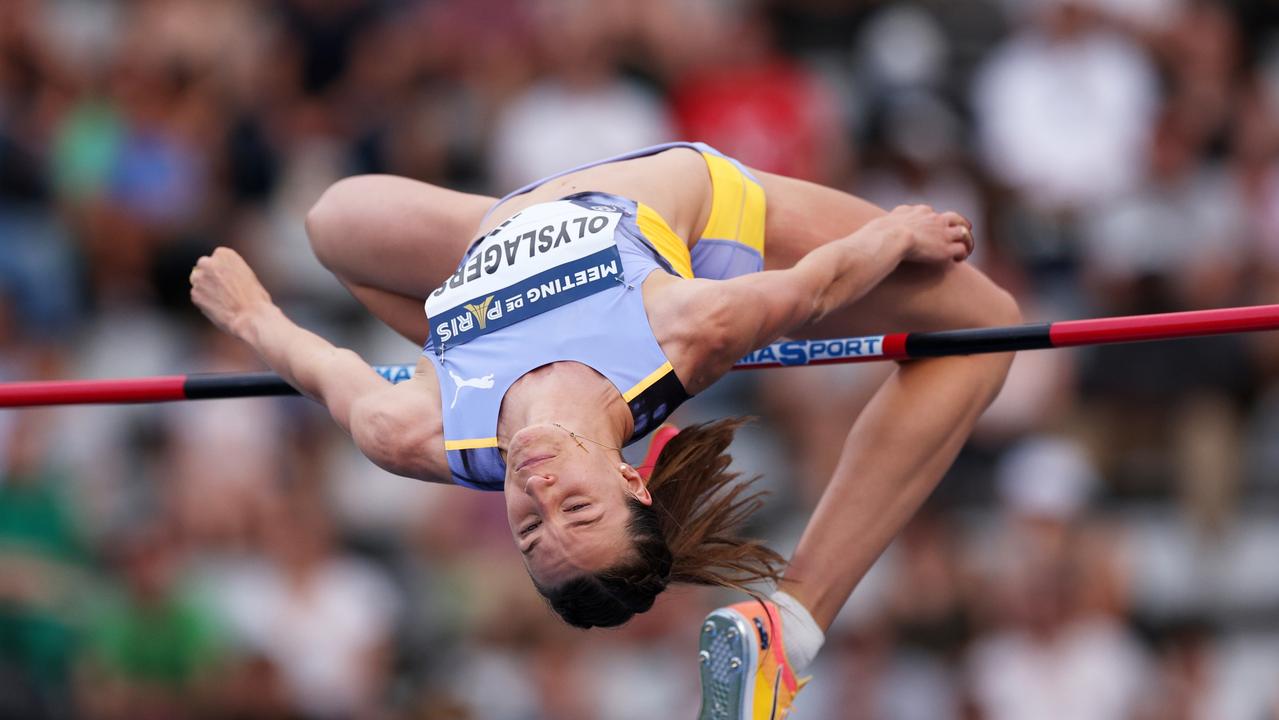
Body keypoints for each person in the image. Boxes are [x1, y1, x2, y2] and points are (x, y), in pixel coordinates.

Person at [189, 141, 1019, 718]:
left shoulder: (414, 430)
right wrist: (893, 233)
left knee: (332, 221)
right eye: (577, 512)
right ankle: (792, 624)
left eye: (528, 527)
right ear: (630, 479)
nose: (541, 493)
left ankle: (470, 333)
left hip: (499, 228)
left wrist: (252, 315)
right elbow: (810, 288)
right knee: (986, 325)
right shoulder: (686, 331)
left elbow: (323, 367)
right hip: (708, 226)